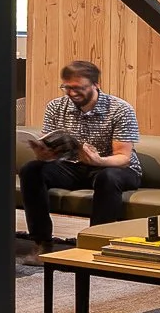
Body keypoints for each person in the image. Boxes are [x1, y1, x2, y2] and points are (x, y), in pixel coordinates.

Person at [20, 60, 142, 249]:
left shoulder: (120, 109)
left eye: (78, 88)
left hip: (115, 167)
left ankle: (95, 244)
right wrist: (44, 154)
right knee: (31, 170)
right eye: (67, 87)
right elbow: (51, 144)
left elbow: (123, 157)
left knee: (108, 177)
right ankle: (42, 242)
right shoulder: (56, 106)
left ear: (96, 85)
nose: (72, 93)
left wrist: (99, 160)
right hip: (73, 166)